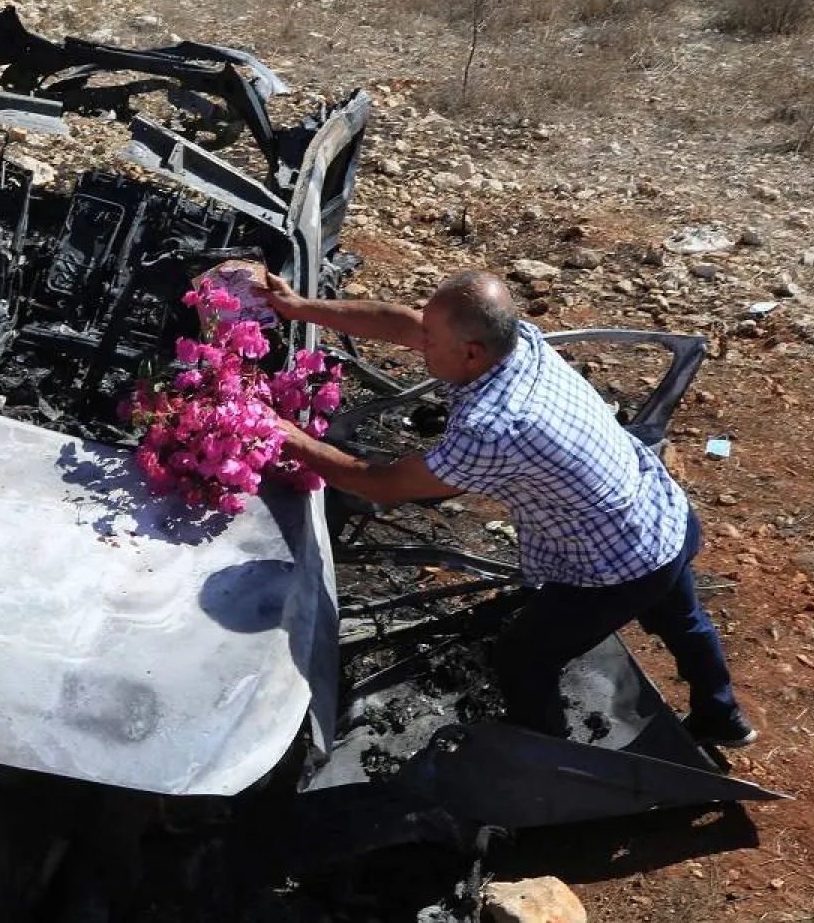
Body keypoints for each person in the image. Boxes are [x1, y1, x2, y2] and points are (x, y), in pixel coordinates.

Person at [258, 269, 757, 748]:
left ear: (471, 353)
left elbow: (384, 486)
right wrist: (299, 308)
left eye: (431, 339)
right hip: (663, 515)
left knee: (522, 658)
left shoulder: (491, 429)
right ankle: (722, 717)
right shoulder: (522, 345)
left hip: (618, 567)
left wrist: (288, 436)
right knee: (684, 620)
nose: (420, 341)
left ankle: (547, 766)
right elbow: (402, 323)